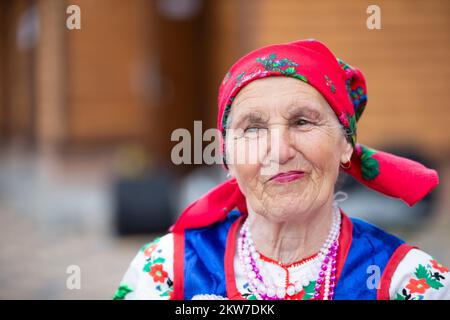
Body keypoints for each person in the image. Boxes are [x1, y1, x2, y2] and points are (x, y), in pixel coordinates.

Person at [113, 39, 448, 300]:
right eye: (253, 128)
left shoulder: (406, 280)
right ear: (227, 157)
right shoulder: (168, 270)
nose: (280, 151)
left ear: (345, 144)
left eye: (302, 121)